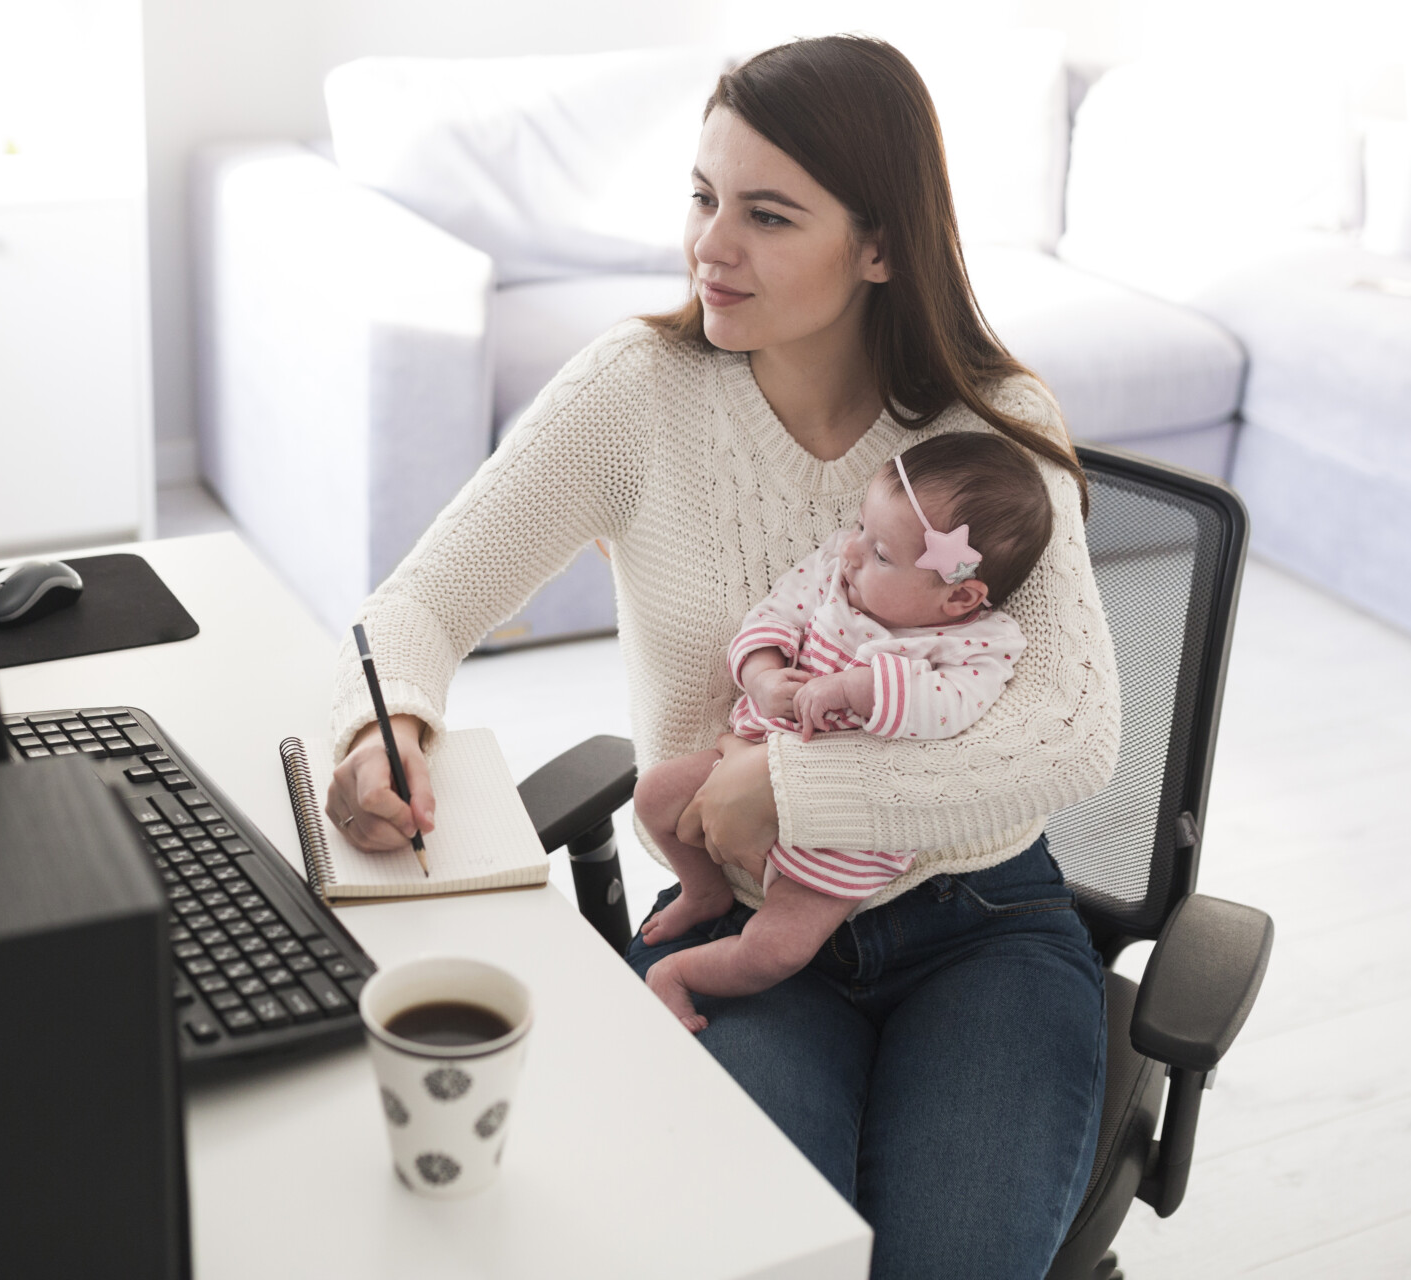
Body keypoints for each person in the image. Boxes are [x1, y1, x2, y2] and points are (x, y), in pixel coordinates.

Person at [326, 35, 1120, 1279]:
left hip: (977, 922)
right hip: (733, 918)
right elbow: (415, 606)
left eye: (767, 213)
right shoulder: (637, 392)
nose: (712, 244)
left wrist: (794, 786)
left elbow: (1072, 728)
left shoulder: (996, 428)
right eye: (703, 196)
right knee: (758, 1257)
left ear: (881, 246)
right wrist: (386, 729)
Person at [635, 433, 1052, 1034]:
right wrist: (762, 676)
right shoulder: (835, 574)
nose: (851, 551)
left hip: (849, 837)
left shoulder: (974, 644)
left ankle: (676, 974)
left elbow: (953, 710)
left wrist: (861, 688)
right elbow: (772, 615)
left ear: (960, 595)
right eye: (861, 526)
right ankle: (703, 891)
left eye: (881, 552)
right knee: (653, 796)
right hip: (747, 756)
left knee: (776, 950)